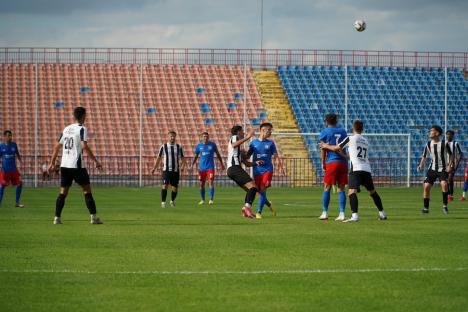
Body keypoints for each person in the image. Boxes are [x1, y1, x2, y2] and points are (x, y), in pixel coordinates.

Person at [321, 120, 387, 222]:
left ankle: (355, 216)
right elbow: (352, 156)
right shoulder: (365, 141)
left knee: (351, 192)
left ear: (353, 128)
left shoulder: (350, 138)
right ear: (362, 129)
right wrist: (343, 155)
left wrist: (325, 146)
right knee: (372, 192)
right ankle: (382, 213)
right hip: (366, 169)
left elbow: (335, 148)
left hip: (356, 169)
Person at [49, 107, 103, 224]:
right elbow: (84, 146)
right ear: (83, 116)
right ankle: (93, 218)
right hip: (77, 166)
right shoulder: (82, 129)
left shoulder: (66, 129)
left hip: (64, 165)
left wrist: (52, 162)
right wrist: (96, 161)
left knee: (63, 193)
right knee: (87, 191)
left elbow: (57, 147)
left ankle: (56, 218)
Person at [246, 122, 282, 219]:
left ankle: (259, 212)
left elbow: (275, 155)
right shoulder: (253, 143)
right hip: (257, 171)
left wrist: (278, 163)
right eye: (269, 130)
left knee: (262, 189)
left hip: (267, 170)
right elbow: (248, 156)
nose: (270, 132)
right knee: (259, 193)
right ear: (262, 130)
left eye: (271, 130)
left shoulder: (270, 143)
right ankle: (270, 205)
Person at [417, 125, 452, 214]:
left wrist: (449, 165)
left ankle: (445, 206)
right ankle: (426, 208)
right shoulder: (428, 144)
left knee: (444, 184)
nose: (430, 132)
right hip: (432, 168)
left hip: (443, 168)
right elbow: (424, 156)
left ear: (437, 133)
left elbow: (451, 155)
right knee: (426, 186)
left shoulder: (444, 143)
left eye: (432, 130)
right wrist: (420, 165)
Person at [318, 113, 348, 221]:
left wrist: (323, 162)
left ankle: (325, 212)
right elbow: (344, 146)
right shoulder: (343, 131)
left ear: (326, 122)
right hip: (343, 162)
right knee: (341, 188)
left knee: (327, 187)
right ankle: (342, 213)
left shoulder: (325, 132)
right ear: (336, 121)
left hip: (332, 162)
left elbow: (323, 149)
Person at [226, 125, 258, 219]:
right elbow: (234, 144)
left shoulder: (238, 151)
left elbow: (247, 164)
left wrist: (255, 163)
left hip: (233, 169)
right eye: (242, 131)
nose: (243, 133)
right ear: (238, 132)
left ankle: (246, 211)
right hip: (234, 168)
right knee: (253, 187)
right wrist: (248, 137)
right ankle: (246, 208)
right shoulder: (234, 137)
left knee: (250, 189)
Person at [151, 131, 185, 208]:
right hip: (166, 170)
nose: (172, 138)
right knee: (164, 185)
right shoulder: (164, 146)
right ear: (168, 137)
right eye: (171, 136)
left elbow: (183, 158)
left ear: (175, 137)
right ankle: (163, 202)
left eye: (173, 136)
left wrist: (183, 166)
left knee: (175, 188)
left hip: (175, 171)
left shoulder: (179, 147)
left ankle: (172, 201)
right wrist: (154, 168)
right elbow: (158, 158)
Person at [192, 132, 225, 205]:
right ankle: (203, 200)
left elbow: (218, 154)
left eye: (206, 136)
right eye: (204, 136)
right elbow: (196, 156)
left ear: (208, 137)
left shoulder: (212, 145)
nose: (205, 138)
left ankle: (211, 199)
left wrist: (222, 164)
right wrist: (192, 164)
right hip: (201, 168)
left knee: (211, 182)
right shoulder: (199, 146)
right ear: (201, 137)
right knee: (201, 184)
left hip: (210, 167)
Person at [0, 130, 25, 208]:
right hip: (5, 170)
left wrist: (20, 161)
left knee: (20, 183)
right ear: (4, 137)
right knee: (2, 186)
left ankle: (17, 203)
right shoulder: (1, 146)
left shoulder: (14, 145)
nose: (10, 137)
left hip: (13, 170)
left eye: (10, 135)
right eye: (8, 135)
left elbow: (17, 154)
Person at [445, 130, 463, 201]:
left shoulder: (455, 143)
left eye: (450, 134)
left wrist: (457, 163)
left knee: (450, 178)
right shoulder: (444, 143)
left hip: (452, 164)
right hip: (444, 164)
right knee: (446, 180)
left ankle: (450, 195)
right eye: (447, 134)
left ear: (452, 135)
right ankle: (448, 194)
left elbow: (460, 154)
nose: (448, 136)